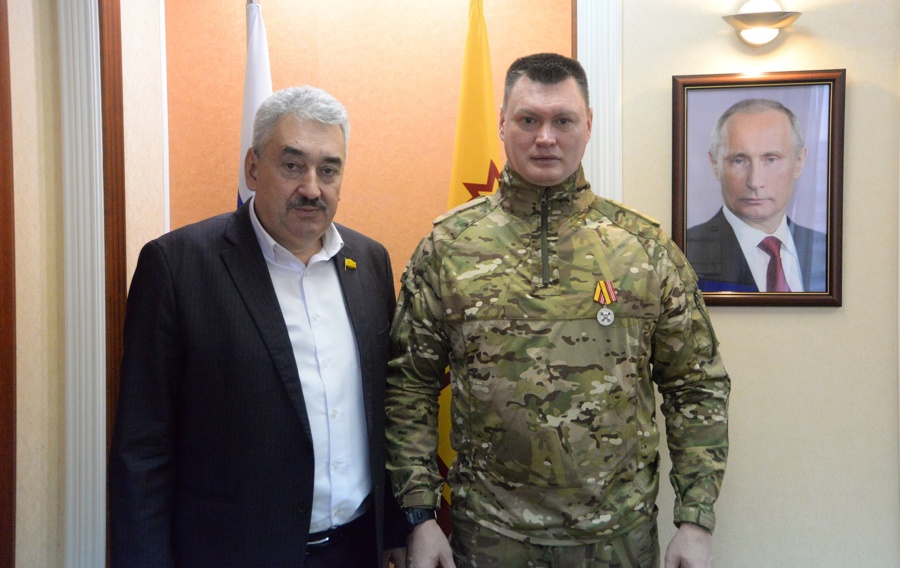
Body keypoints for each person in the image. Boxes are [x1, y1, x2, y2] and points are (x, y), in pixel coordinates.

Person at [386, 53, 730, 568]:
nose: (545, 137)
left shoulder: (643, 247)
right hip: (488, 539)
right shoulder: (449, 247)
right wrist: (421, 516)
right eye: (528, 119)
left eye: (563, 120)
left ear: (587, 125)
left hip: (616, 539)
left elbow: (696, 385)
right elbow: (408, 386)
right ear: (502, 122)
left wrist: (695, 520)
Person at [109, 86, 406, 568]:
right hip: (234, 553)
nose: (312, 187)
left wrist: (395, 527)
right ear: (253, 167)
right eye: (292, 165)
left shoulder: (370, 262)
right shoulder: (177, 267)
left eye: (328, 170)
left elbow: (384, 409)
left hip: (356, 549)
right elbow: (143, 448)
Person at [686, 98, 827, 293]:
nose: (754, 181)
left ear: (799, 162)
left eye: (771, 159)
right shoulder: (684, 253)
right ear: (715, 165)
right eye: (738, 160)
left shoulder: (827, 248)